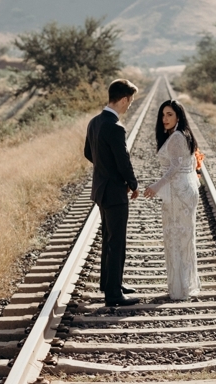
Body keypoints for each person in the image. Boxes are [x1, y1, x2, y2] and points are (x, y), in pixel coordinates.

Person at [84, 79, 141, 307]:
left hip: (100, 189)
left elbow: (89, 153)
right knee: (116, 240)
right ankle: (114, 295)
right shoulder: (115, 127)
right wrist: (132, 183)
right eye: (130, 101)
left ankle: (110, 283)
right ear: (125, 99)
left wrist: (104, 171)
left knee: (109, 237)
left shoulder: (95, 122)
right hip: (115, 192)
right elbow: (123, 161)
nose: (130, 106)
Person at [143, 100, 201, 300]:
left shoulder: (177, 136)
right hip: (182, 190)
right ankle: (182, 286)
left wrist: (156, 186)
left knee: (177, 238)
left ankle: (181, 288)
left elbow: (174, 167)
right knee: (182, 238)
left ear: (178, 116)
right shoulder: (181, 134)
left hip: (178, 193)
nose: (165, 119)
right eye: (163, 115)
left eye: (169, 115)